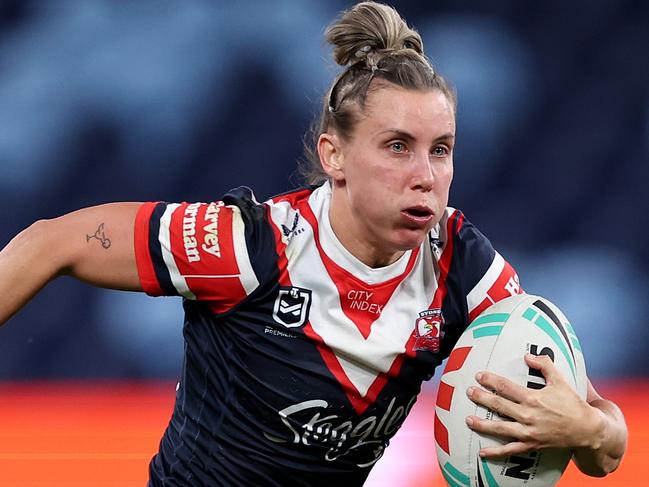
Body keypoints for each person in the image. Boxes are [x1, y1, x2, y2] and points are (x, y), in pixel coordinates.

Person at [0, 2, 627, 486]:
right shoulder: (248, 247)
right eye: (397, 146)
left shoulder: (461, 267)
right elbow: (49, 241)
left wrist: (586, 427)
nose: (425, 175)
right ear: (335, 156)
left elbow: (608, 446)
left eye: (441, 150)